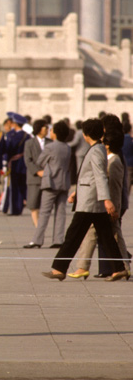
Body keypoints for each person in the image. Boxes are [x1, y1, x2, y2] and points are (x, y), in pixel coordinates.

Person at [42, 118, 127, 282]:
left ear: (86, 134)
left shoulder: (96, 151)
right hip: (91, 200)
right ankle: (119, 269)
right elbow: (89, 177)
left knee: (73, 235)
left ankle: (59, 268)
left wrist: (106, 199)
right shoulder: (98, 148)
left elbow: (100, 176)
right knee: (106, 235)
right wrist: (76, 193)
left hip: (90, 203)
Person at [68, 129, 130, 280]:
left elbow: (115, 188)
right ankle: (83, 267)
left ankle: (124, 267)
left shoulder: (114, 161)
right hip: (101, 204)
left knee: (114, 236)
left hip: (108, 206)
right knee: (95, 234)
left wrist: (112, 206)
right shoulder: (108, 158)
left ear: (108, 145)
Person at [24, 120, 71, 249]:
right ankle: (58, 240)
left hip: (50, 182)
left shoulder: (50, 147)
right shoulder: (67, 147)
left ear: (55, 133)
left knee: (44, 212)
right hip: (63, 182)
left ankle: (37, 240)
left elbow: (40, 161)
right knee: (61, 212)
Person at [1, 112, 31, 216]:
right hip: (23, 163)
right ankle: (20, 206)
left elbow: (8, 149)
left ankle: (15, 209)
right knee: (22, 185)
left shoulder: (11, 135)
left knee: (14, 186)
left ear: (15, 123)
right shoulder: (27, 135)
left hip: (13, 163)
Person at [23, 119, 51, 227]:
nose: (47, 130)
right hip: (34, 178)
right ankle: (37, 226)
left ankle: (42, 225)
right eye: (45, 128)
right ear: (39, 129)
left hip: (48, 177)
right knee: (33, 204)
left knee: (45, 205)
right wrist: (37, 171)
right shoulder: (29, 143)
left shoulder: (50, 142)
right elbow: (28, 160)